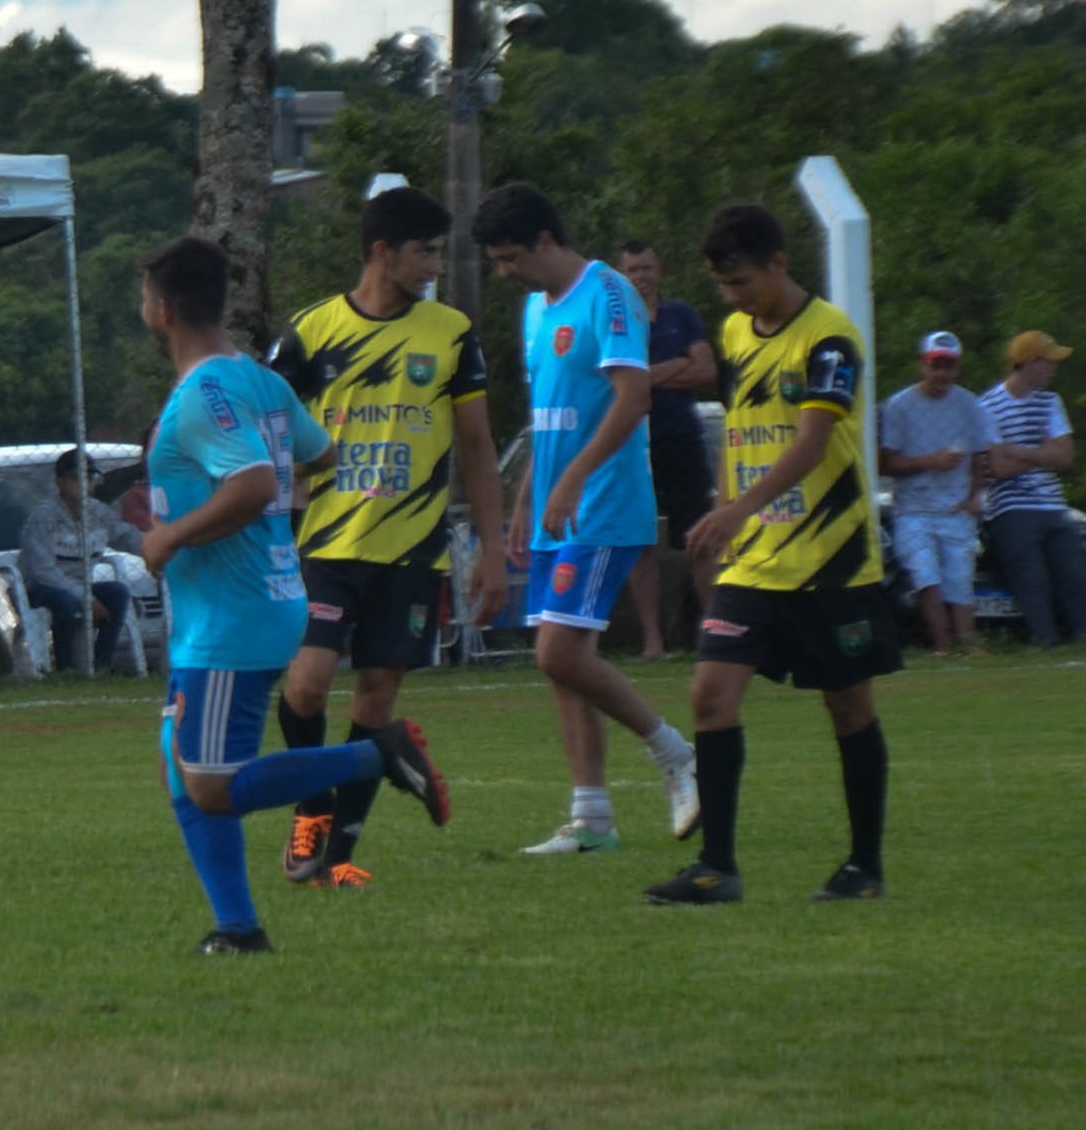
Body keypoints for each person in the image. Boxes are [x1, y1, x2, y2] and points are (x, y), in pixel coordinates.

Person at [126, 235, 442, 956]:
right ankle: (238, 930)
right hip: (253, 600)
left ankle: (379, 755)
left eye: (145, 297)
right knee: (182, 764)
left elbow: (256, 483)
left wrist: (170, 538)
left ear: (163, 309)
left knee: (211, 784)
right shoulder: (255, 379)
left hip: (230, 620)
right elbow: (319, 453)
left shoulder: (204, 394)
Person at [645, 202, 896, 905]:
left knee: (848, 709)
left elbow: (814, 440)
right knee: (709, 692)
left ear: (780, 264)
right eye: (723, 286)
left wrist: (732, 509)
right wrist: (733, 507)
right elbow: (743, 428)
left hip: (831, 559)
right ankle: (716, 866)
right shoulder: (733, 333)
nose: (733, 298)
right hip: (756, 560)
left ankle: (863, 866)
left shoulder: (831, 339)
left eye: (743, 282)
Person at [266, 183, 506, 888]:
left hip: (412, 553)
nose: (435, 264)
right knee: (306, 686)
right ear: (382, 251)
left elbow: (477, 447)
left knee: (375, 698)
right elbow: (270, 432)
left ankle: (338, 854)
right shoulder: (309, 334)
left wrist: (492, 551)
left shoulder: (451, 333)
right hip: (330, 548)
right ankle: (310, 813)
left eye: (439, 251)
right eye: (425, 251)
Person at [473, 184, 701, 858]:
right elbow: (552, 414)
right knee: (563, 665)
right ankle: (591, 818)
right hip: (554, 513)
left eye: (512, 256)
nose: (505, 271)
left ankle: (676, 755)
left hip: (600, 505)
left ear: (546, 240)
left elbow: (632, 399)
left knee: (559, 652)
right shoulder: (534, 312)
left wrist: (572, 478)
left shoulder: (608, 294)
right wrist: (525, 499)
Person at [617, 240, 721, 658]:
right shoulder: (614, 320)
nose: (640, 277)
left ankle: (715, 634)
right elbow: (617, 383)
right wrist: (676, 367)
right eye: (631, 270)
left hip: (681, 438)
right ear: (619, 275)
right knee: (640, 541)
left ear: (659, 269)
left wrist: (646, 375)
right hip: (631, 442)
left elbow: (706, 369)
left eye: (646, 268)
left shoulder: (682, 315)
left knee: (700, 537)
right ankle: (652, 641)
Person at [877, 334, 995, 656]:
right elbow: (885, 462)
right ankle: (942, 646)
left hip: (956, 507)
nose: (942, 373)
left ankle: (968, 643)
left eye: (949, 366)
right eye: (936, 365)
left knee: (960, 576)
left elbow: (978, 457)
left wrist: (974, 498)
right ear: (922, 365)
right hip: (914, 509)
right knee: (926, 576)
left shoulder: (969, 404)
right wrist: (930, 461)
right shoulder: (899, 406)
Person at [978, 332, 1086, 648]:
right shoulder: (987, 406)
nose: (1053, 369)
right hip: (1010, 506)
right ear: (1028, 363)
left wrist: (1018, 450)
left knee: (1075, 572)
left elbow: (1066, 456)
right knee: (1031, 576)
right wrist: (1043, 453)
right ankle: (1044, 640)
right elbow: (998, 469)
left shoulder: (1050, 401)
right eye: (1048, 361)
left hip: (1052, 503)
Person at [15, 450, 137, 679]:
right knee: (66, 601)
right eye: (75, 478)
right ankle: (66, 670)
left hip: (81, 586)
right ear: (59, 482)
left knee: (117, 592)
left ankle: (100, 667)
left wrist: (156, 548)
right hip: (41, 588)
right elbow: (44, 572)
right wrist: (86, 598)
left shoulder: (98, 512)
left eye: (89, 478)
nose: (84, 484)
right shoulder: (44, 517)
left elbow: (125, 536)